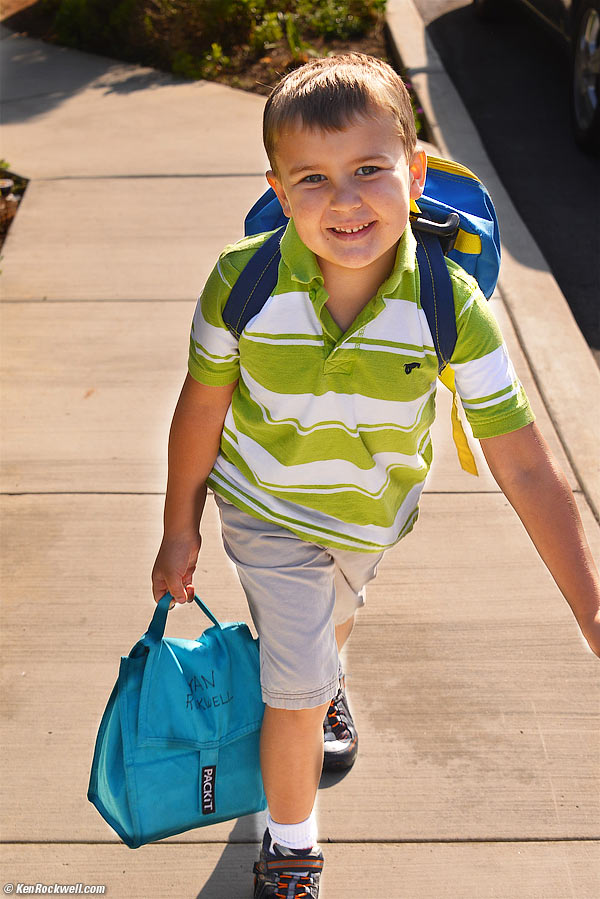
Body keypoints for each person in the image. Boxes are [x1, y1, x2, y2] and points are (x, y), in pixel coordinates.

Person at [152, 53, 600, 898]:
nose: (346, 199)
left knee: (323, 644)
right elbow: (201, 409)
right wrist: (183, 523)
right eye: (313, 179)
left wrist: (590, 604)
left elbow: (528, 464)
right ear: (279, 192)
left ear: (416, 172)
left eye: (368, 169)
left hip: (368, 517)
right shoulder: (241, 284)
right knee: (293, 687)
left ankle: (327, 680)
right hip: (265, 507)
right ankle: (290, 850)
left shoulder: (449, 304)